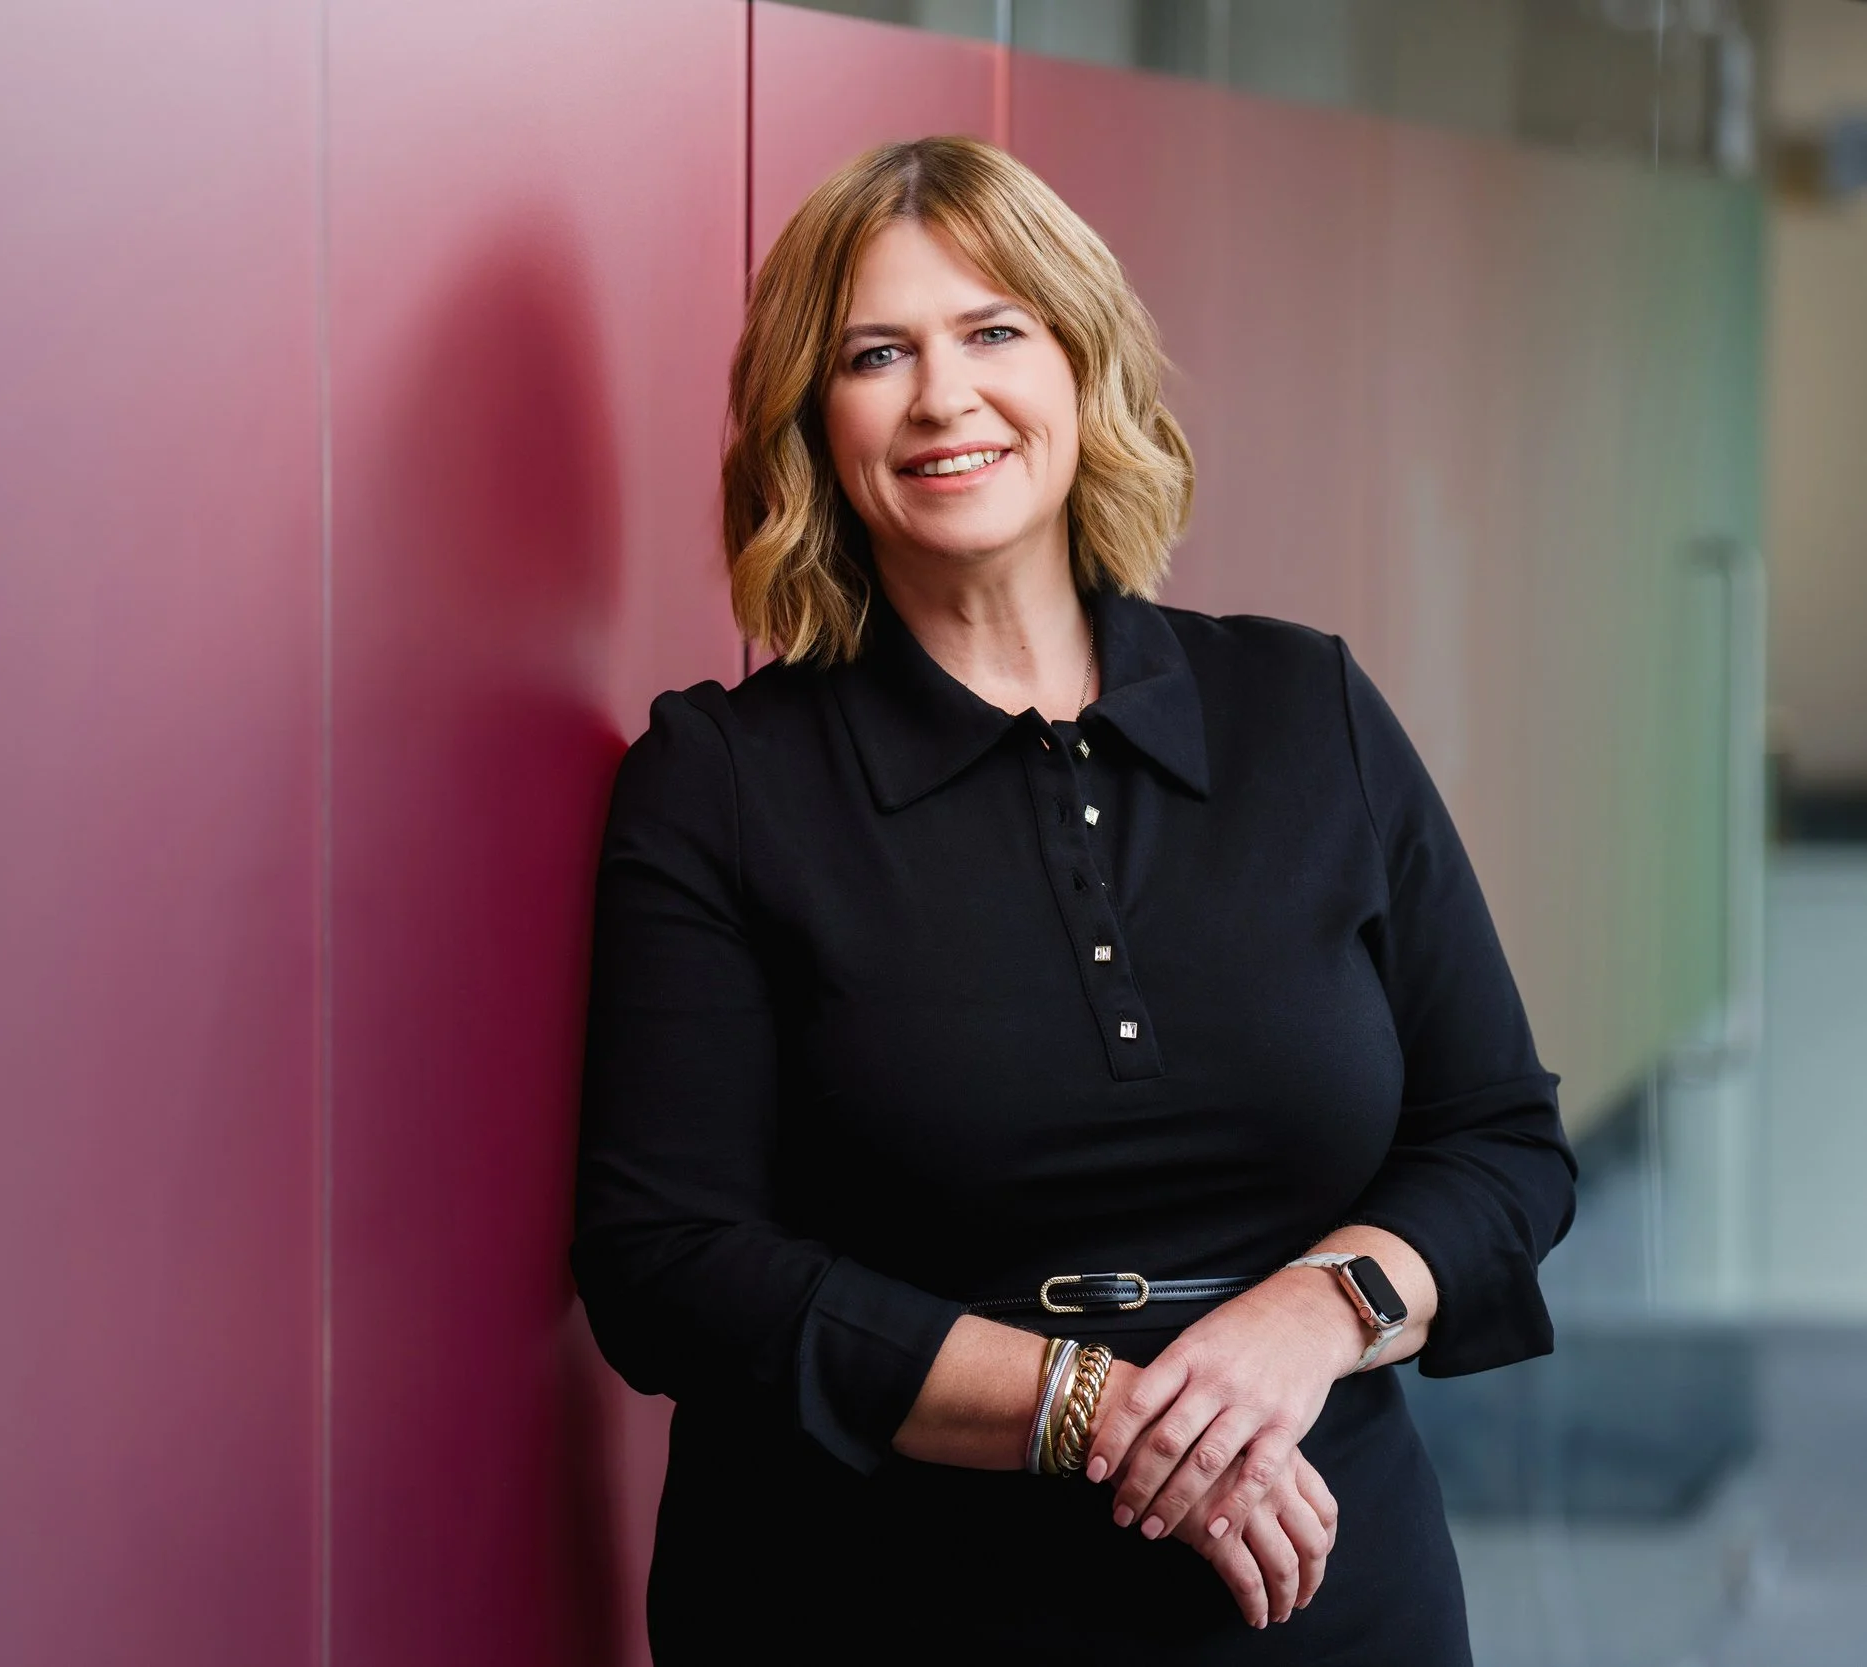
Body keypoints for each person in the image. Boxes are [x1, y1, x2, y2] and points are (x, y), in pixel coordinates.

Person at [568, 136, 1577, 1663]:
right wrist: (1098, 1408)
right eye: (874, 353)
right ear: (809, 419)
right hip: (879, 1601)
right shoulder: (720, 778)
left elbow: (1500, 1141)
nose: (941, 397)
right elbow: (670, 1259)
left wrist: (1311, 1315)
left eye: (993, 332)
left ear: (1082, 365)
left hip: (1319, 1586)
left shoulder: (1308, 709)